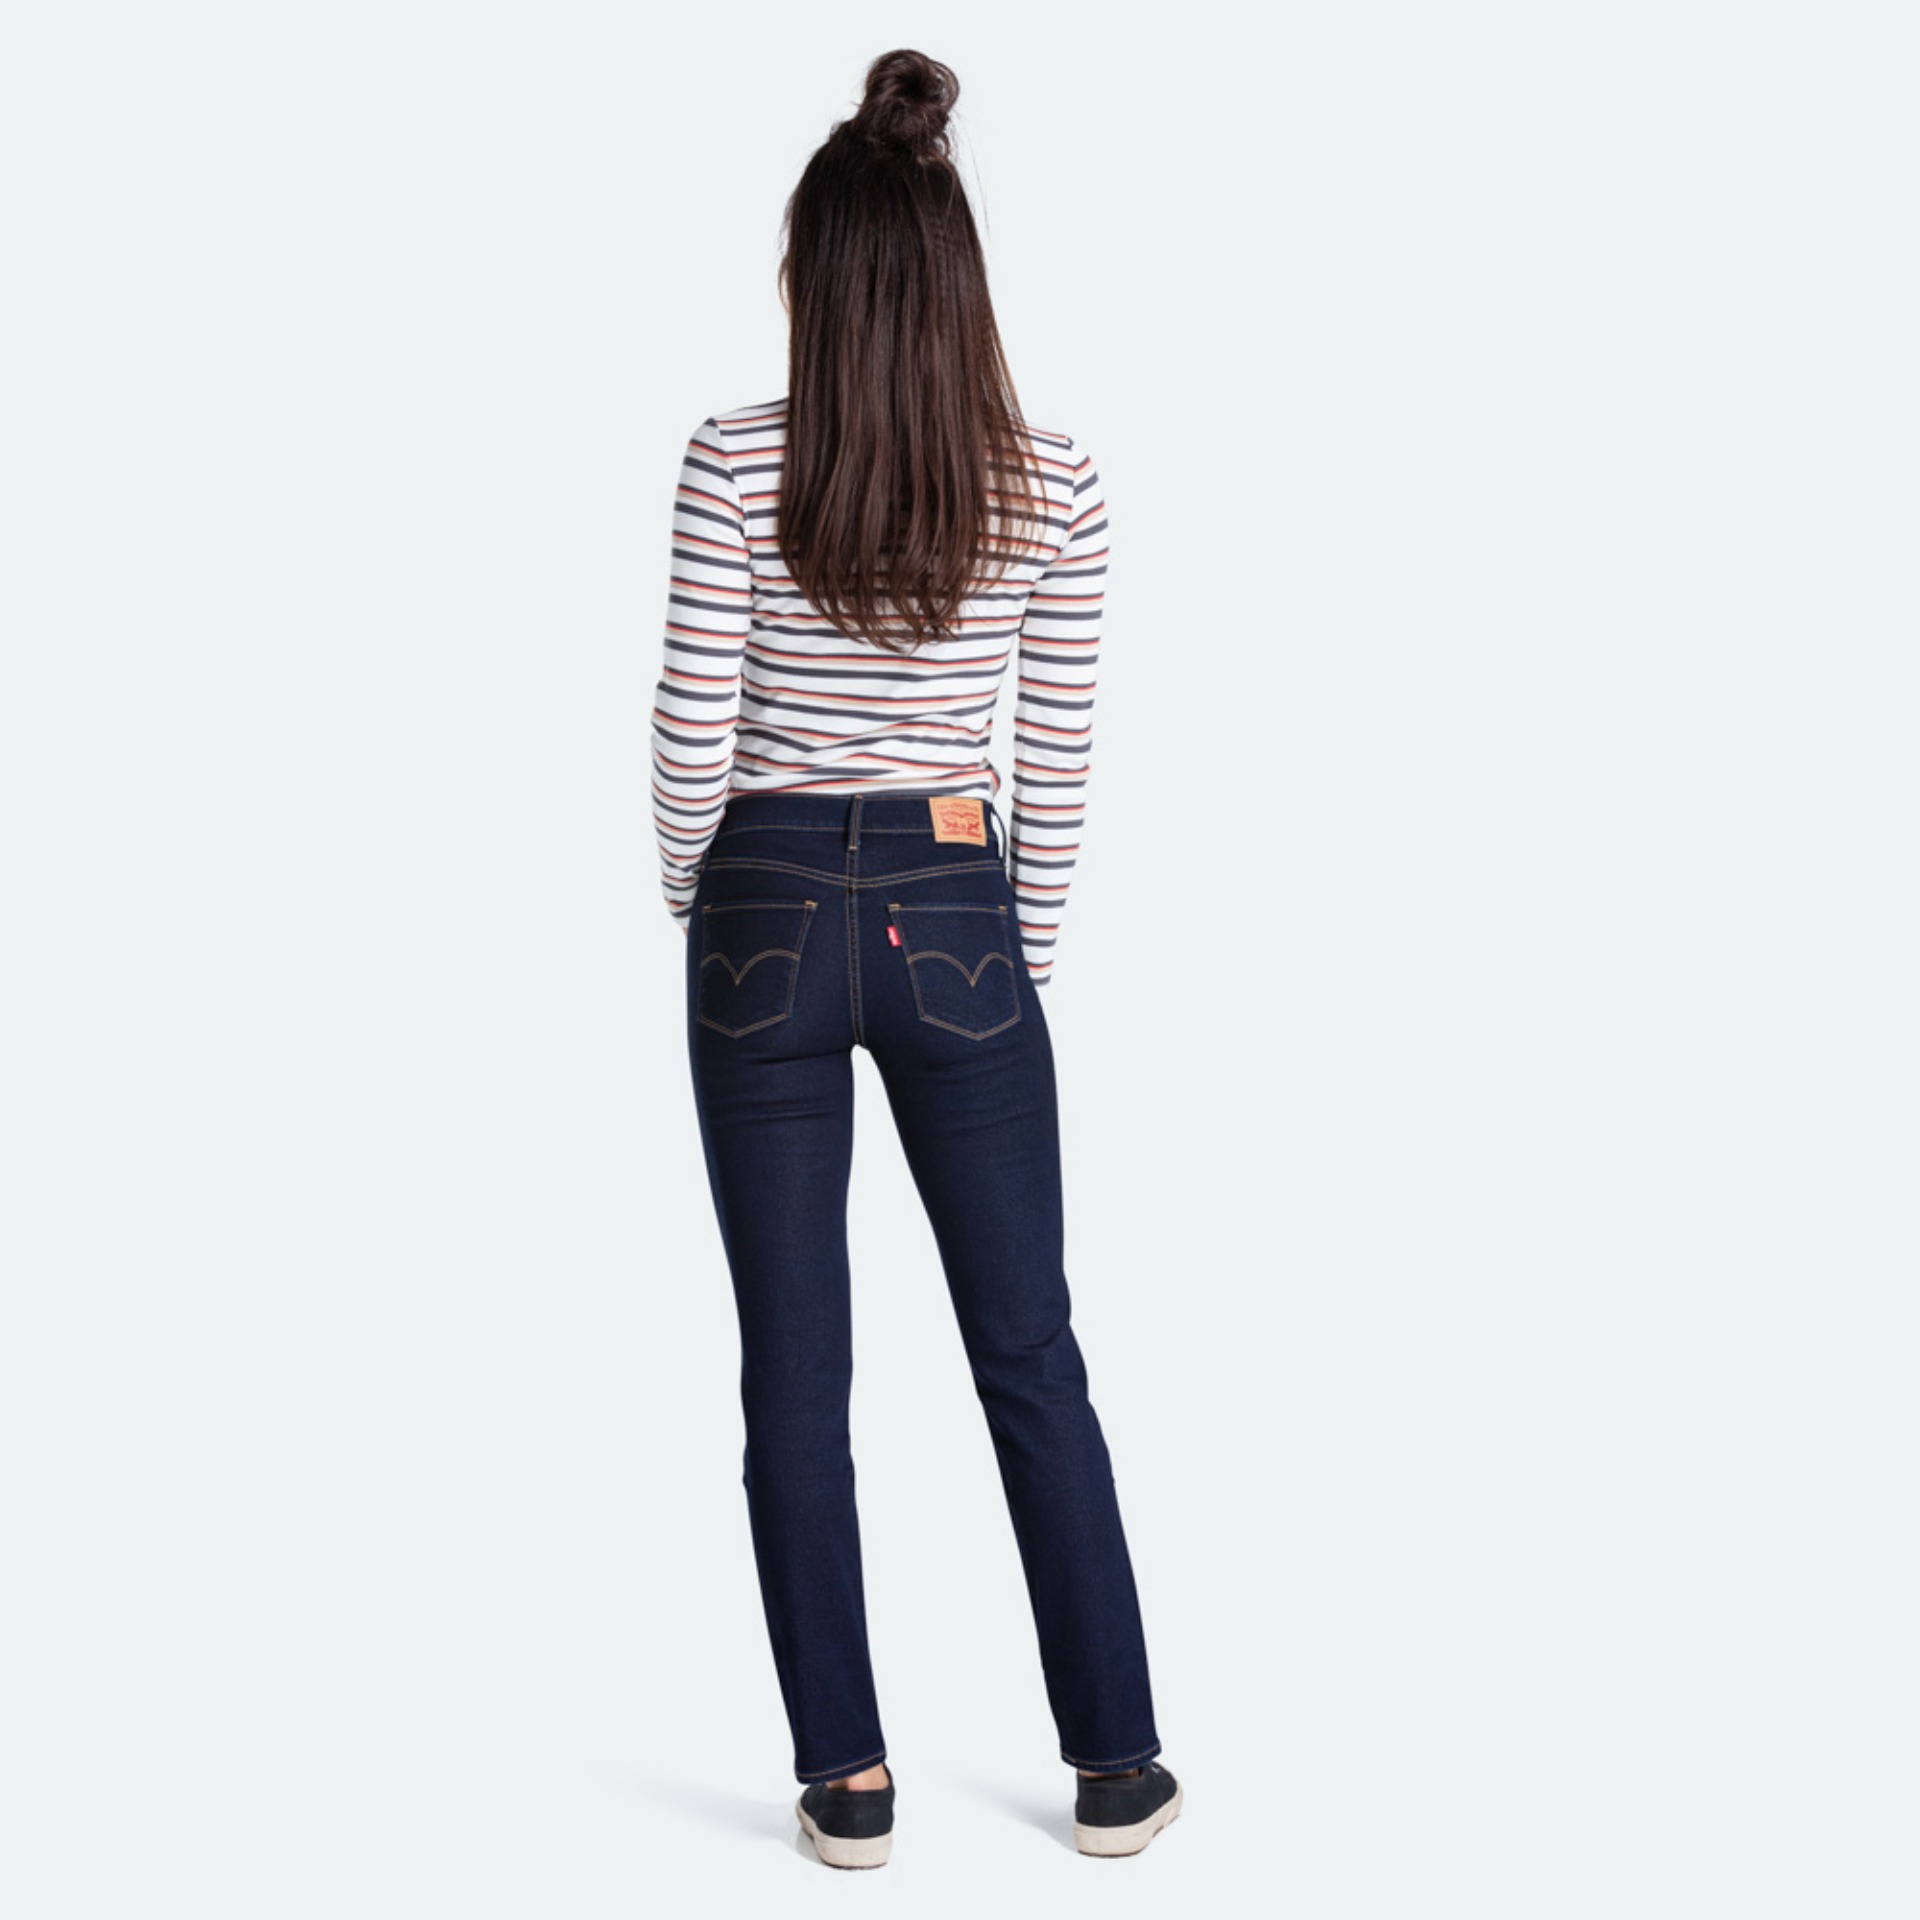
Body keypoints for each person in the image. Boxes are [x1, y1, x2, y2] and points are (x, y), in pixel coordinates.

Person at [649, 48, 1181, 1870]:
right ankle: (1115, 1767)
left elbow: (692, 731)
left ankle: (848, 1783)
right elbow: (1058, 752)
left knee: (795, 1373)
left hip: (763, 909)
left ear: (814, 274)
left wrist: (705, 898)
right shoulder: (1055, 482)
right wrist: (1017, 951)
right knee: (1029, 1346)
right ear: (960, 279)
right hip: (961, 908)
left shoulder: (735, 458)